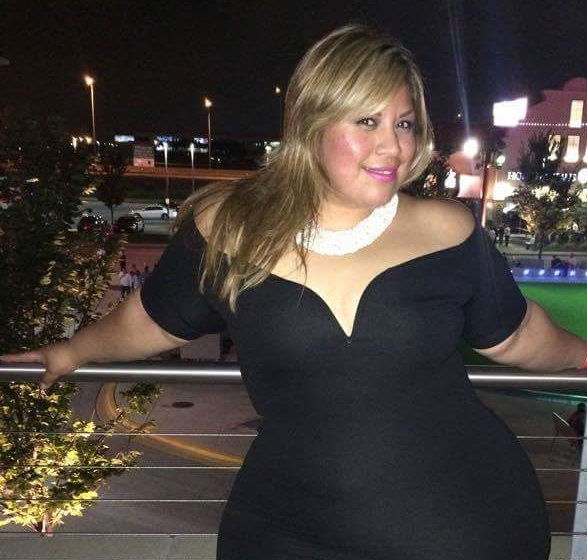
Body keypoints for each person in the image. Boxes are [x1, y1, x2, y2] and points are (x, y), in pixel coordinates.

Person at [2, 24, 586, 560]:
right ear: (312, 123)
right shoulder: (229, 229)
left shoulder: (447, 230)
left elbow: (516, 334)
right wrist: (71, 351)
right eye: (367, 122)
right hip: (290, 528)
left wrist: (583, 355)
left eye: (404, 124)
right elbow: (150, 320)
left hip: (467, 523)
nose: (393, 146)